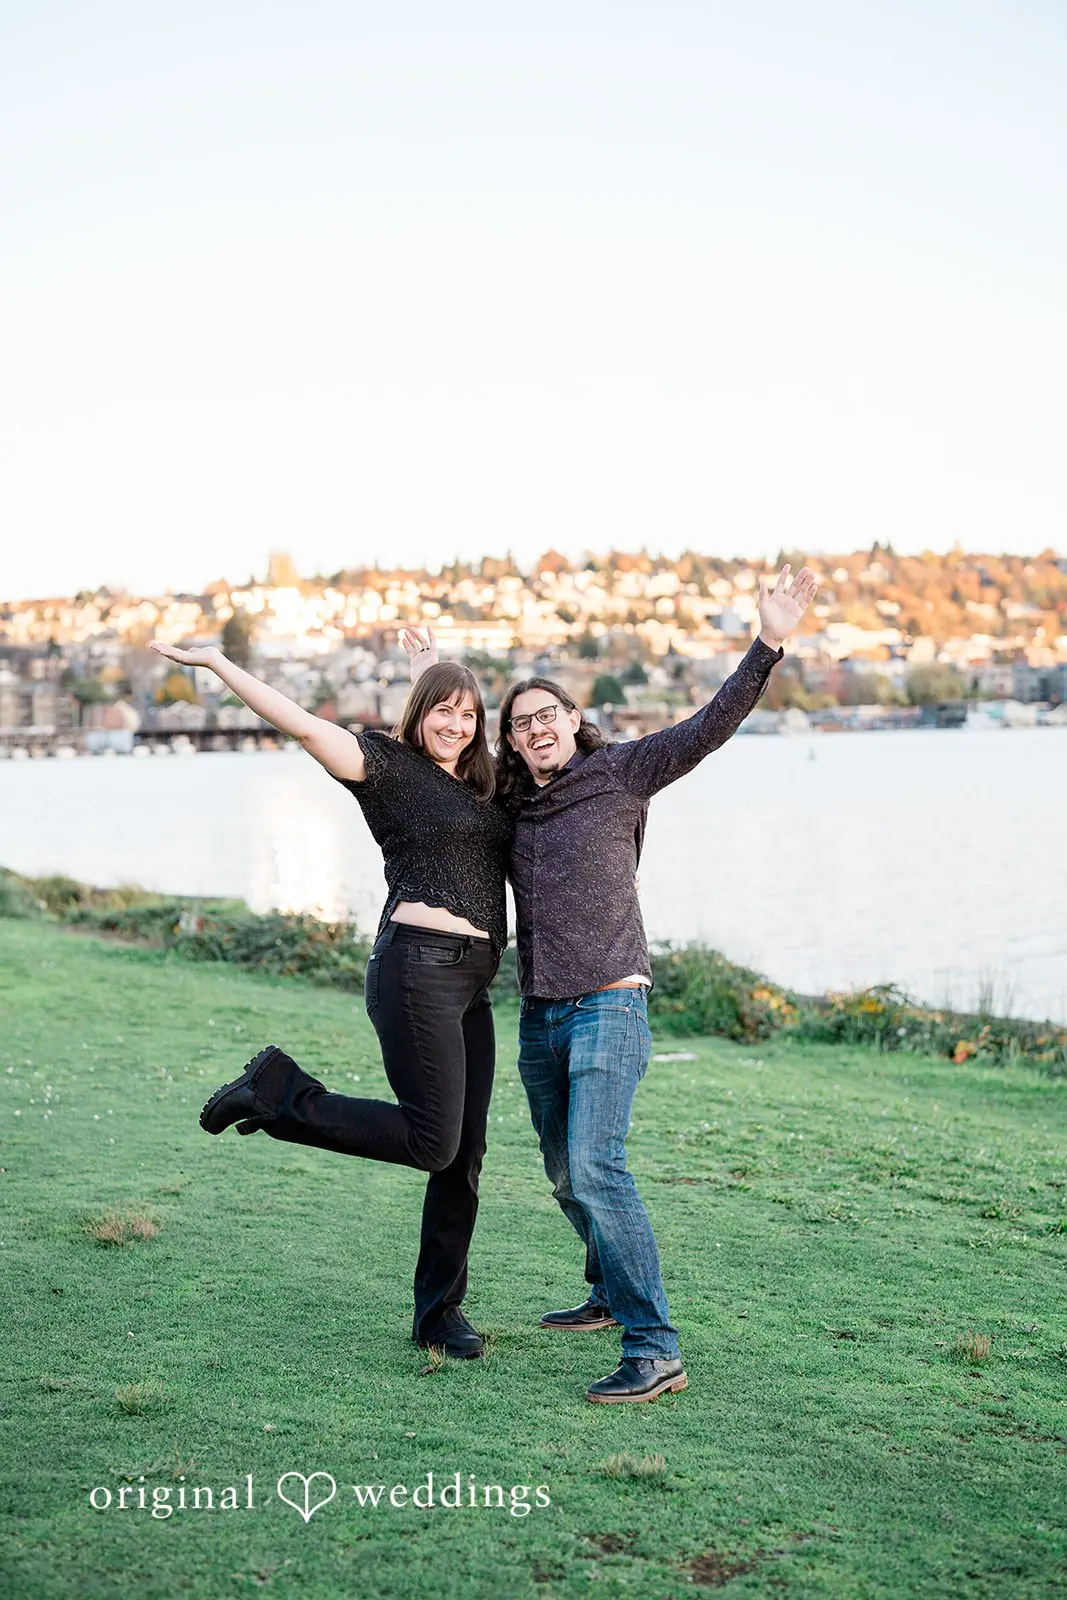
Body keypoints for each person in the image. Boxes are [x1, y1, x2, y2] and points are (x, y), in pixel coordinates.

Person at [408, 561, 818, 1401]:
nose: (534, 729)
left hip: (609, 1001)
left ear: (573, 718)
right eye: (519, 724)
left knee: (598, 1167)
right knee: (564, 1173)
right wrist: (427, 682)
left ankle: (653, 1345)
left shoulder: (622, 772)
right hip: (539, 1013)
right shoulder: (511, 806)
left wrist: (768, 641)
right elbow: (440, 772)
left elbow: (707, 726)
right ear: (513, 741)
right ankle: (605, 1288)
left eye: (546, 715)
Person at [147, 636, 512, 1360]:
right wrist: (219, 666)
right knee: (430, 1141)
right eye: (443, 711)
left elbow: (446, 727)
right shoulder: (381, 766)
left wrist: (429, 673)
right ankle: (275, 1093)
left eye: (468, 715)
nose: (457, 725)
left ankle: (438, 1315)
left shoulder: (478, 783)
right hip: (416, 970)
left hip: (473, 980)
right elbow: (303, 725)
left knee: (462, 1156)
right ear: (418, 715)